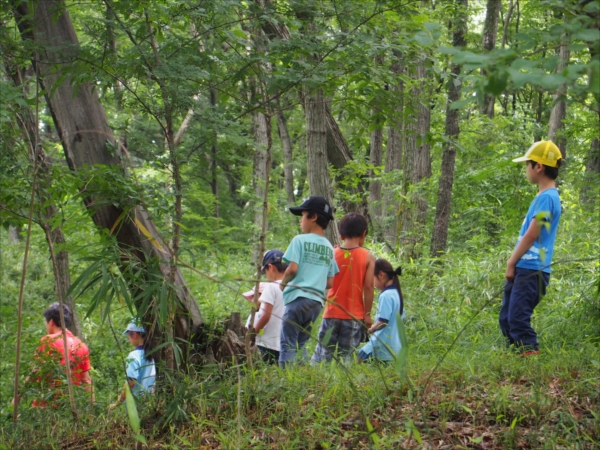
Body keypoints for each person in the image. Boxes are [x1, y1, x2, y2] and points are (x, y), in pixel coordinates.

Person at [500, 141, 563, 356]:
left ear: (539, 167)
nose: (526, 169)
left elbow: (532, 233)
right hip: (525, 267)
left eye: (528, 164)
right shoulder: (543, 196)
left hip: (531, 268)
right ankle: (516, 357)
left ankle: (529, 362)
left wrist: (511, 262)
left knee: (517, 318)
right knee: (507, 318)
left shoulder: (547, 198)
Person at [279, 196, 339, 367]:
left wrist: (282, 284)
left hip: (297, 298)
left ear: (313, 217)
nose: (301, 222)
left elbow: (292, 269)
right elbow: (330, 282)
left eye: (303, 216)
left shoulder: (299, 240)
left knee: (287, 342)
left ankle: (287, 381)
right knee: (301, 343)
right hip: (316, 303)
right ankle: (303, 376)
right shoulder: (329, 247)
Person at [312, 213, 375, 363]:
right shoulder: (368, 257)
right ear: (363, 233)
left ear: (341, 235)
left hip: (331, 312)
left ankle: (318, 384)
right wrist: (367, 314)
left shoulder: (332, 254)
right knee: (347, 358)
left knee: (322, 357)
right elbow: (369, 287)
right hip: (354, 315)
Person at [14, 303, 93, 408]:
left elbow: (35, 372)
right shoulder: (81, 345)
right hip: (71, 408)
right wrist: (91, 410)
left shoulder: (48, 341)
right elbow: (86, 380)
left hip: (47, 406)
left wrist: (18, 398)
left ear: (51, 322)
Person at [244, 250, 287, 364]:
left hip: (266, 344)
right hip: (285, 347)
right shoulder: (294, 287)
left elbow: (265, 316)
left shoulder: (272, 287)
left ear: (271, 267)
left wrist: (252, 335)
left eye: (266, 272)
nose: (266, 277)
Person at [358, 259, 404, 363]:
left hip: (382, 344)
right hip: (395, 346)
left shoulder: (386, 295)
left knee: (359, 359)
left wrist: (370, 330)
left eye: (373, 278)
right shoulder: (397, 294)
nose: (373, 283)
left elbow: (383, 321)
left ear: (381, 275)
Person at [109, 322, 156, 409]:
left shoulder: (134, 356)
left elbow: (131, 382)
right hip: (150, 405)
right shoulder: (154, 354)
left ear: (134, 335)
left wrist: (117, 403)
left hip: (134, 407)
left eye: (128, 335)